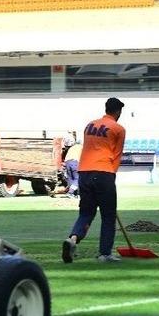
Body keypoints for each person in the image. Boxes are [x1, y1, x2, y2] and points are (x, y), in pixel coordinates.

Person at [62, 98, 126, 263]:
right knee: (108, 215)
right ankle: (104, 253)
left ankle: (73, 239)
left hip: (84, 172)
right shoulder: (118, 129)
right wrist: (111, 180)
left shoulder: (89, 125)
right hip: (104, 172)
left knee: (86, 213)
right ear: (118, 112)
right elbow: (116, 156)